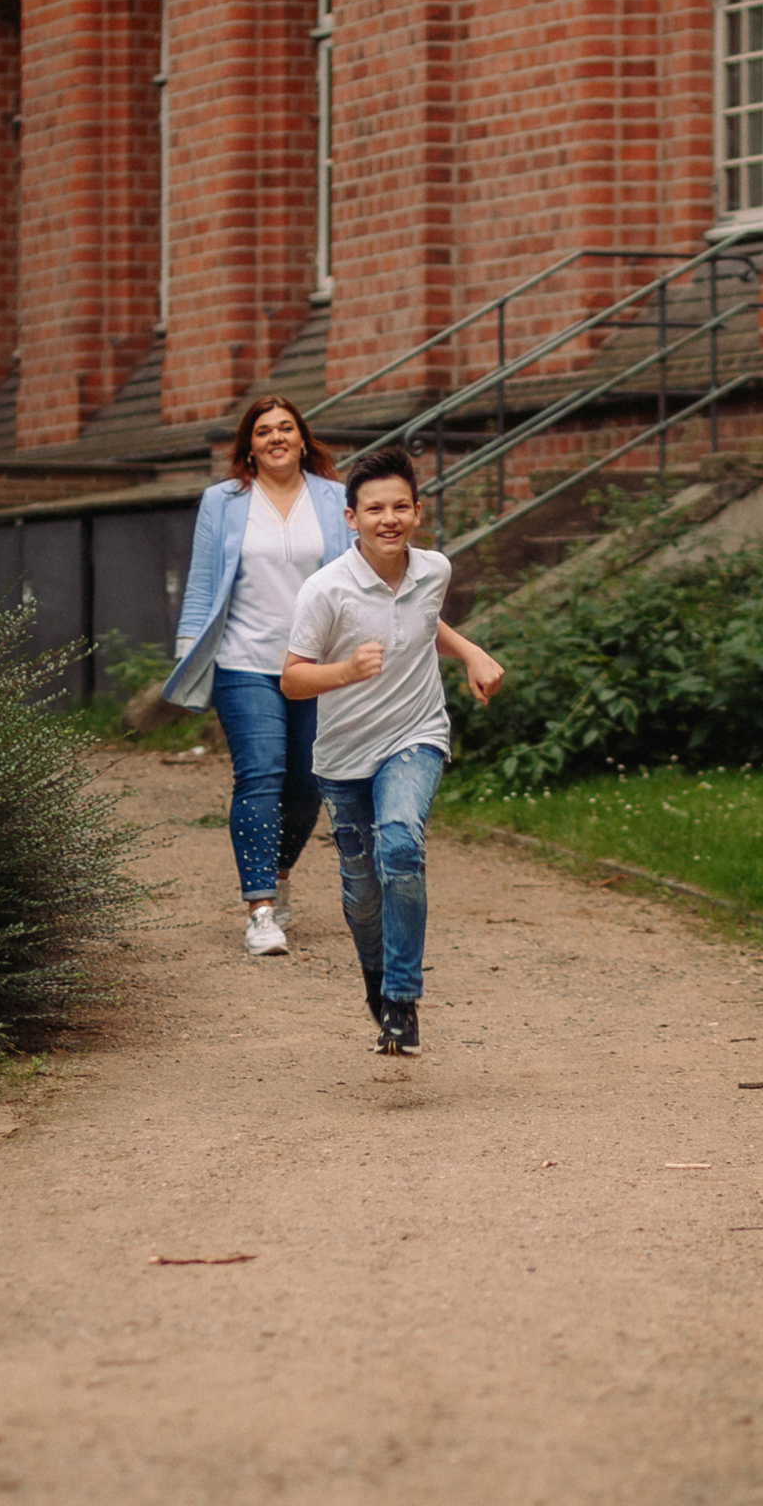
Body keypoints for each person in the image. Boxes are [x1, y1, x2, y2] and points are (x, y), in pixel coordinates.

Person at [282, 442, 503, 1055]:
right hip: (343, 754)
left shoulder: (434, 568)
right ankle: (378, 985)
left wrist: (471, 654)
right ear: (350, 517)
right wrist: (347, 671)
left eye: (400, 507)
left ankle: (403, 999)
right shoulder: (325, 591)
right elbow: (293, 678)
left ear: (417, 511)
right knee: (361, 888)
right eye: (374, 508)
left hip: (415, 734)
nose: (389, 519)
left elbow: (424, 618)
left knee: (401, 843)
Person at [164, 395, 351, 957]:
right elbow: (202, 584)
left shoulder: (336, 499)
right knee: (262, 775)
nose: (276, 438)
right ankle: (261, 909)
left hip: (315, 664)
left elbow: (355, 576)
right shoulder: (222, 501)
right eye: (264, 430)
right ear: (249, 444)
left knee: (308, 783)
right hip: (243, 661)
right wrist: (187, 659)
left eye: (286, 428)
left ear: (302, 438)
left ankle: (279, 869)